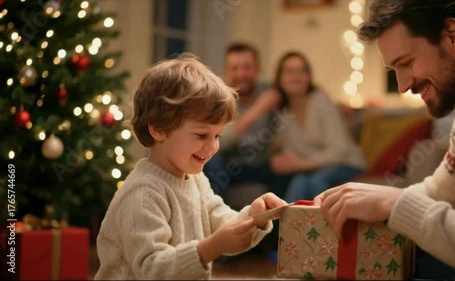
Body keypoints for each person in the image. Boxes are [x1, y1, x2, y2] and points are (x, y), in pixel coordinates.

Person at [314, 0, 455, 280]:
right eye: (394, 71)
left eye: (407, 63)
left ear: (452, 35)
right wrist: (366, 196)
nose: (402, 86)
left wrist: (396, 203)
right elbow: (439, 192)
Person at [94, 55, 287, 280]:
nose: (213, 146)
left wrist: (255, 217)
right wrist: (211, 248)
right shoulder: (143, 193)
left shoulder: (195, 180)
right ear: (158, 129)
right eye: (201, 135)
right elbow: (152, 269)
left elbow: (221, 222)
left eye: (217, 135)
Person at [269, 51, 366, 203]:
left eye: (302, 71)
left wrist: (303, 164)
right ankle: (288, 226)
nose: (296, 76)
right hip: (312, 170)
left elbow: (340, 150)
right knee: (299, 180)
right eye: (289, 71)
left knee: (315, 180)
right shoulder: (283, 114)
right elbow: (290, 152)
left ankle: (322, 226)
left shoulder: (320, 100)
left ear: (308, 77)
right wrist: (283, 160)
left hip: (346, 163)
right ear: (280, 78)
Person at [203, 42, 290, 202]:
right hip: (229, 165)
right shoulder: (217, 99)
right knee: (213, 161)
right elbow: (219, 143)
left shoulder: (270, 91)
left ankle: (280, 224)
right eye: (235, 68)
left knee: (285, 169)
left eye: (247, 67)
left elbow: (299, 95)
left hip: (261, 164)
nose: (242, 74)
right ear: (226, 71)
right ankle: (218, 220)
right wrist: (258, 109)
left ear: (257, 69)